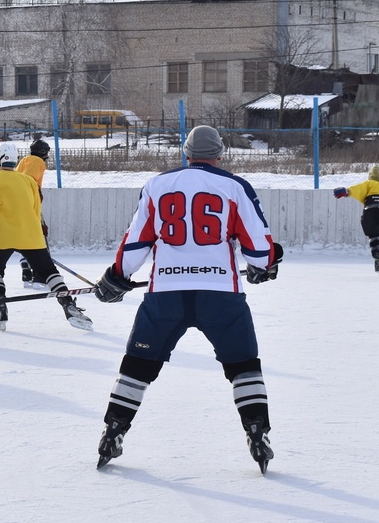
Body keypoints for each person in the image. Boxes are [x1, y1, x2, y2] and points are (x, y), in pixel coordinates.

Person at [93, 125, 282, 473]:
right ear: (220, 154)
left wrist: (118, 275)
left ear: (186, 152)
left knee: (138, 364)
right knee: (243, 365)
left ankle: (113, 431)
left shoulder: (157, 185)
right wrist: (264, 265)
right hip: (221, 294)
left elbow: (137, 240)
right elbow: (258, 247)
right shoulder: (235, 187)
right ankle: (257, 432)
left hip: (166, 294)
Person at [0, 141, 91, 332]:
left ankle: (0, 306)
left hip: (3, 235)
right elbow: (36, 208)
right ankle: (68, 304)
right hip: (31, 235)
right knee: (49, 271)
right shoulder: (28, 181)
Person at [16, 138, 51, 286]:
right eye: (46, 152)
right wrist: (35, 197)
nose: (46, 155)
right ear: (41, 151)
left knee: (26, 237)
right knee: (38, 236)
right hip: (29, 203)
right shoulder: (38, 161)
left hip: (18, 202)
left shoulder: (24, 160)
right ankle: (39, 276)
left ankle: (26, 271)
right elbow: (29, 180)